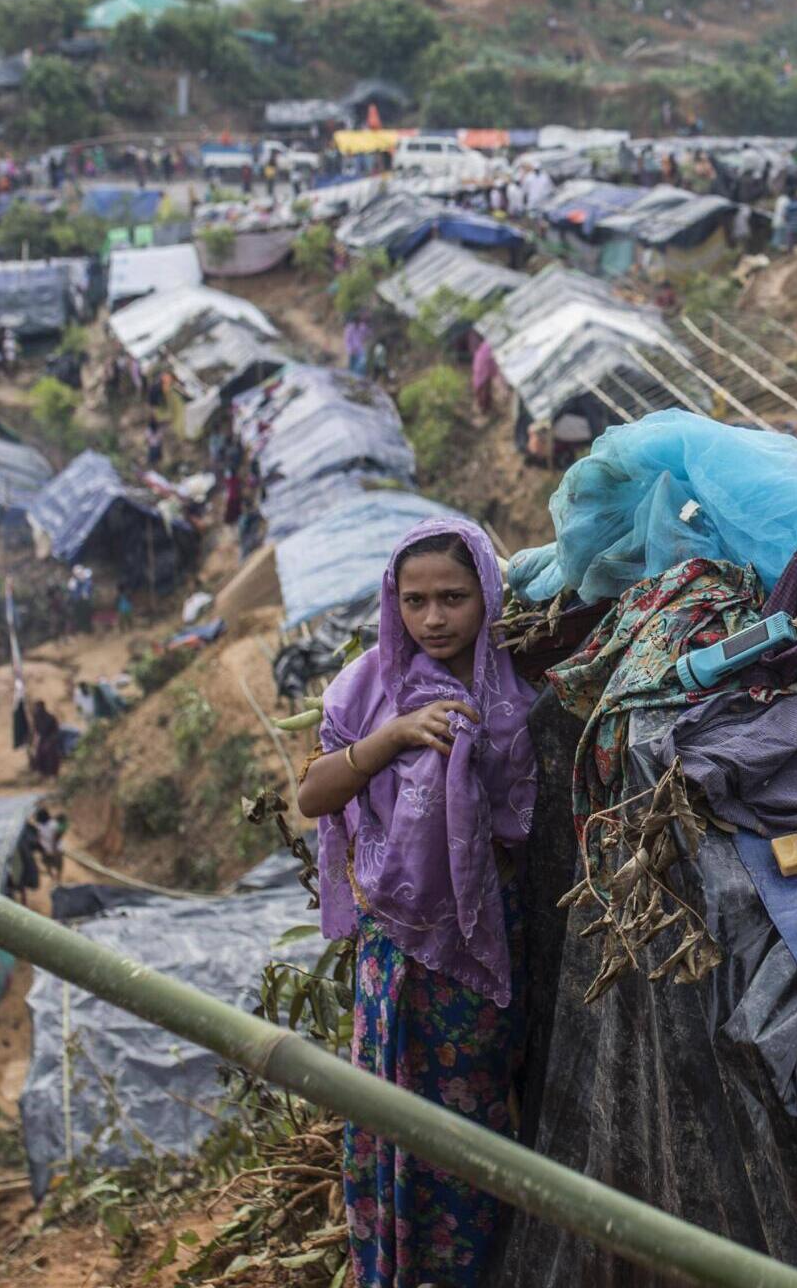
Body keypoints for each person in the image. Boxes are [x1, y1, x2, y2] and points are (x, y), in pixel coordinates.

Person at [296, 519, 534, 1287]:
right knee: (388, 1115)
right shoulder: (370, 685)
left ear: (487, 596)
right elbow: (312, 792)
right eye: (415, 600)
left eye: (453, 598)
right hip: (393, 950)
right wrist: (395, 736)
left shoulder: (519, 692)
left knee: (473, 1118)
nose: (433, 619)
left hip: (484, 948)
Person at [29, 699, 66, 779]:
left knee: (50, 752)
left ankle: (52, 774)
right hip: (42, 739)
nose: (37, 710)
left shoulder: (51, 718)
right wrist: (34, 743)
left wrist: (50, 741)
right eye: (36, 708)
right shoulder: (36, 718)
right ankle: (41, 773)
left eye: (38, 708)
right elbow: (36, 731)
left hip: (51, 739)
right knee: (37, 753)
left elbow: (56, 732)